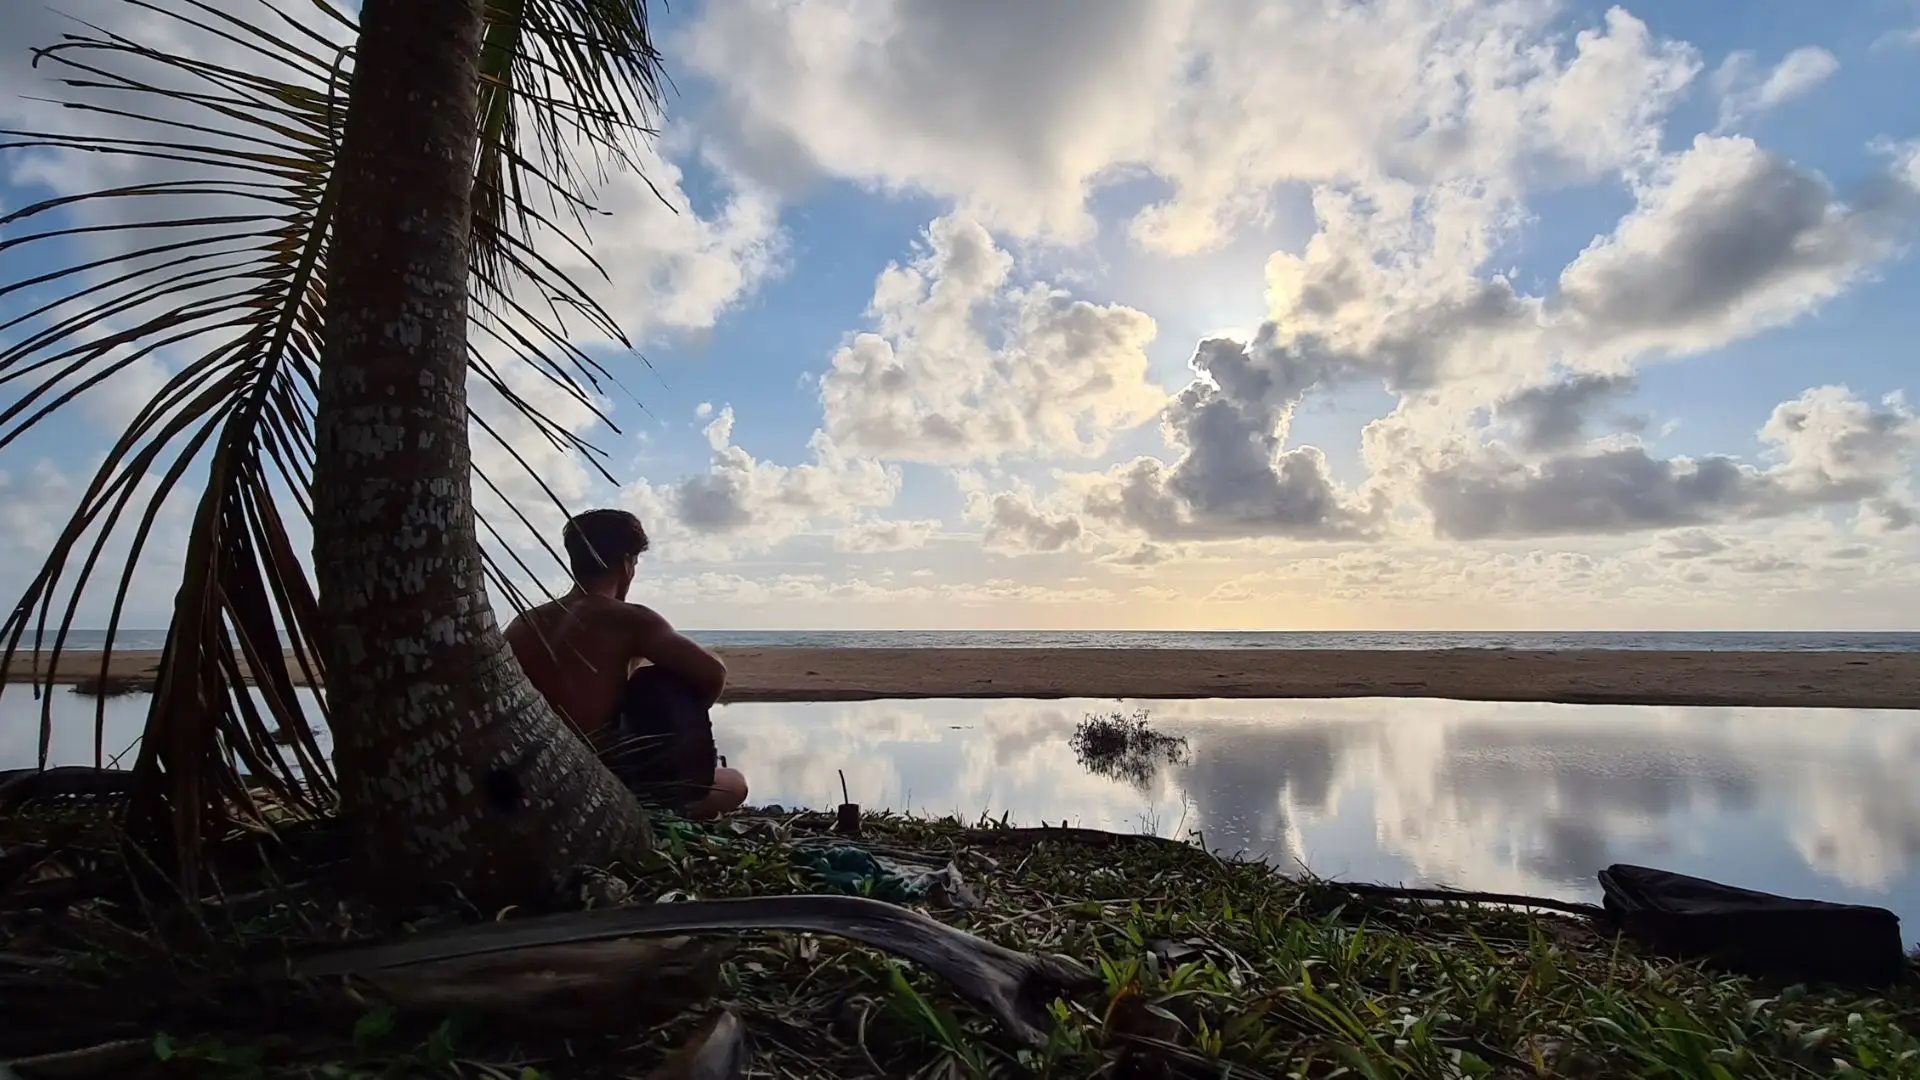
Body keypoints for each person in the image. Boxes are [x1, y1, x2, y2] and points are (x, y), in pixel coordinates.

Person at [504, 508, 749, 818]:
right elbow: (713, 674)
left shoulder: (523, 623)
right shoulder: (630, 620)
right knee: (734, 783)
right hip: (596, 777)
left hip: (529, 773)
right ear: (626, 563)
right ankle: (656, 808)